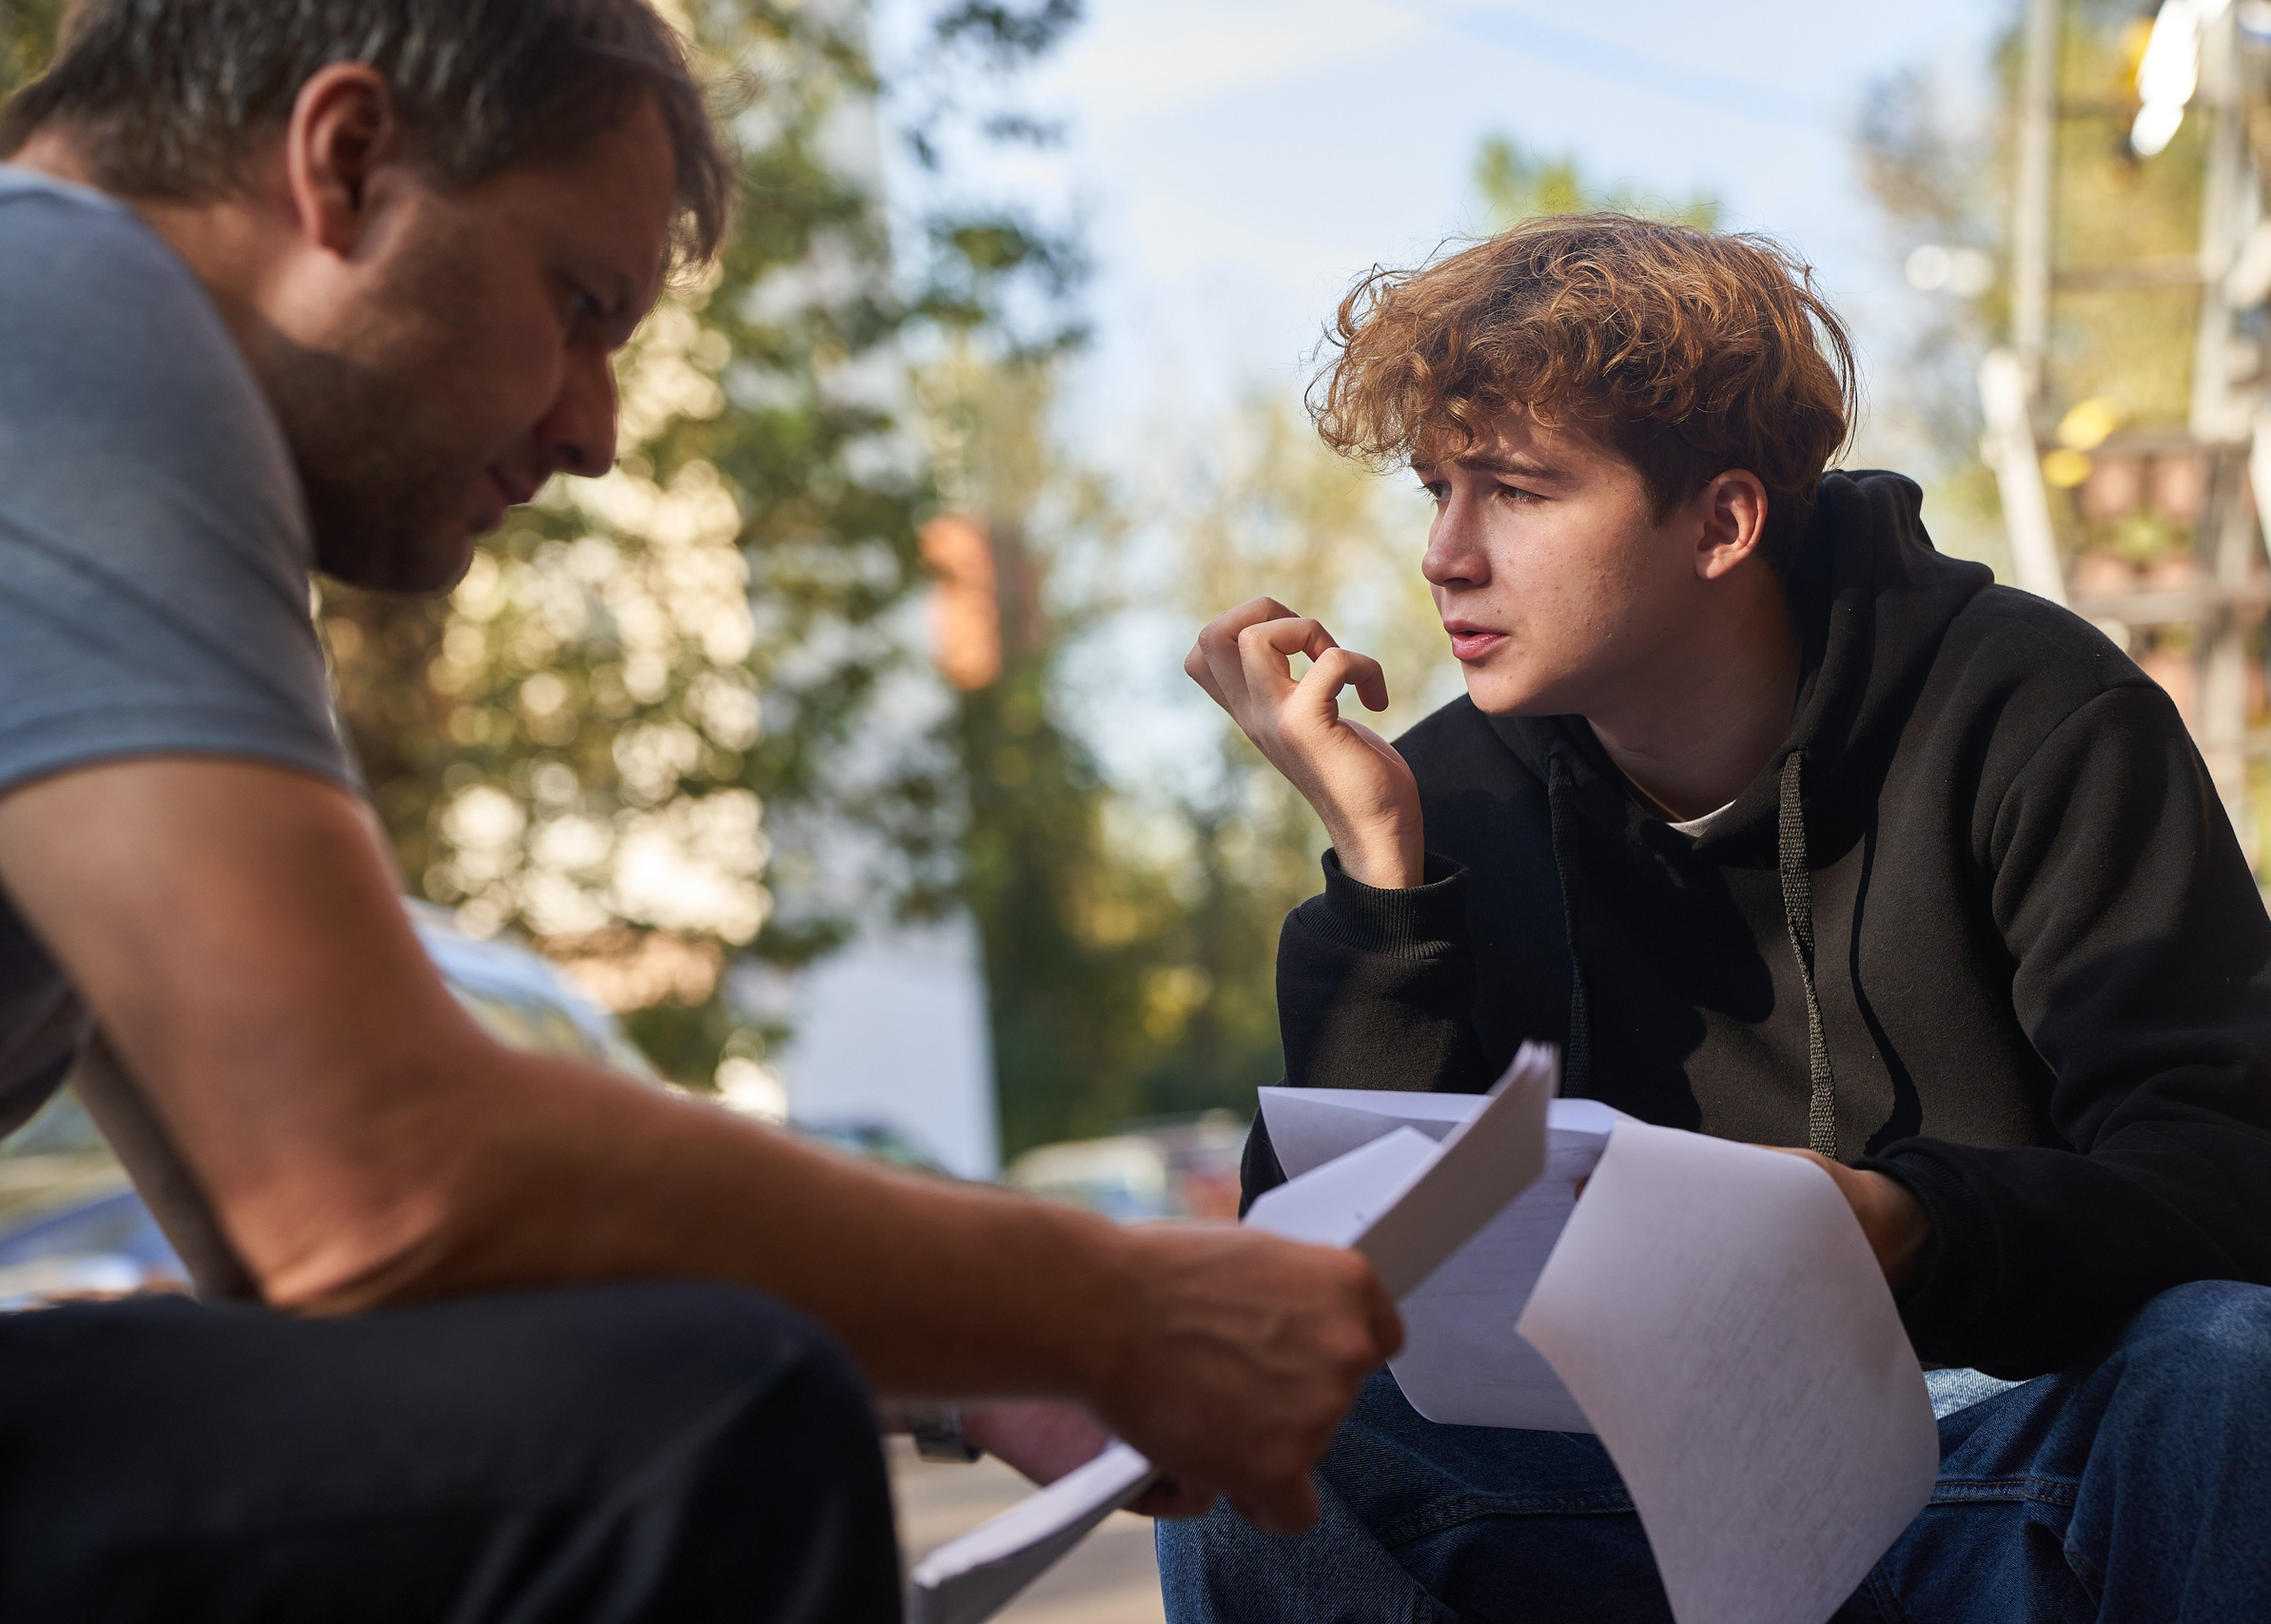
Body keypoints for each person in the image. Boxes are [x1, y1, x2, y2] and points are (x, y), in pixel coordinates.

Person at [0, 4, 1400, 1618]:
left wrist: (976, 1367)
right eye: (579, 306)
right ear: (346, 159)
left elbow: (275, 1222)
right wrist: (1115, 1306)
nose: (594, 432)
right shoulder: (69, 306)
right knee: (702, 1420)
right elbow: (372, 1177)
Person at [1165, 213, 2271, 1622]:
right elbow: (1327, 1298)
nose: (1445, 557)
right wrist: (1384, 877)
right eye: (1437, 492)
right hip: (1630, 1482)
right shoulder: (1448, 793)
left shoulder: (2031, 712)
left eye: (1515, 494)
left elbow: (2239, 1179)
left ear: (1722, 520)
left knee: (2246, 1363)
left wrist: (1899, 1224)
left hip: (2012, 1435)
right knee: (1245, 1434)